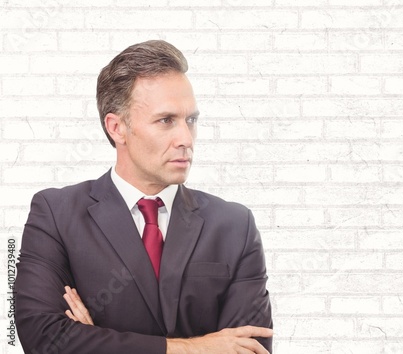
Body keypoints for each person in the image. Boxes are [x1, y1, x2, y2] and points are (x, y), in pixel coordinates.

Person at [15, 40, 273, 354]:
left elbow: (248, 349)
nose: (185, 139)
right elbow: (45, 339)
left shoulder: (234, 225)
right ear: (117, 128)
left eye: (190, 120)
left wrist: (94, 341)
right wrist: (195, 348)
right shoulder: (57, 214)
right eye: (166, 121)